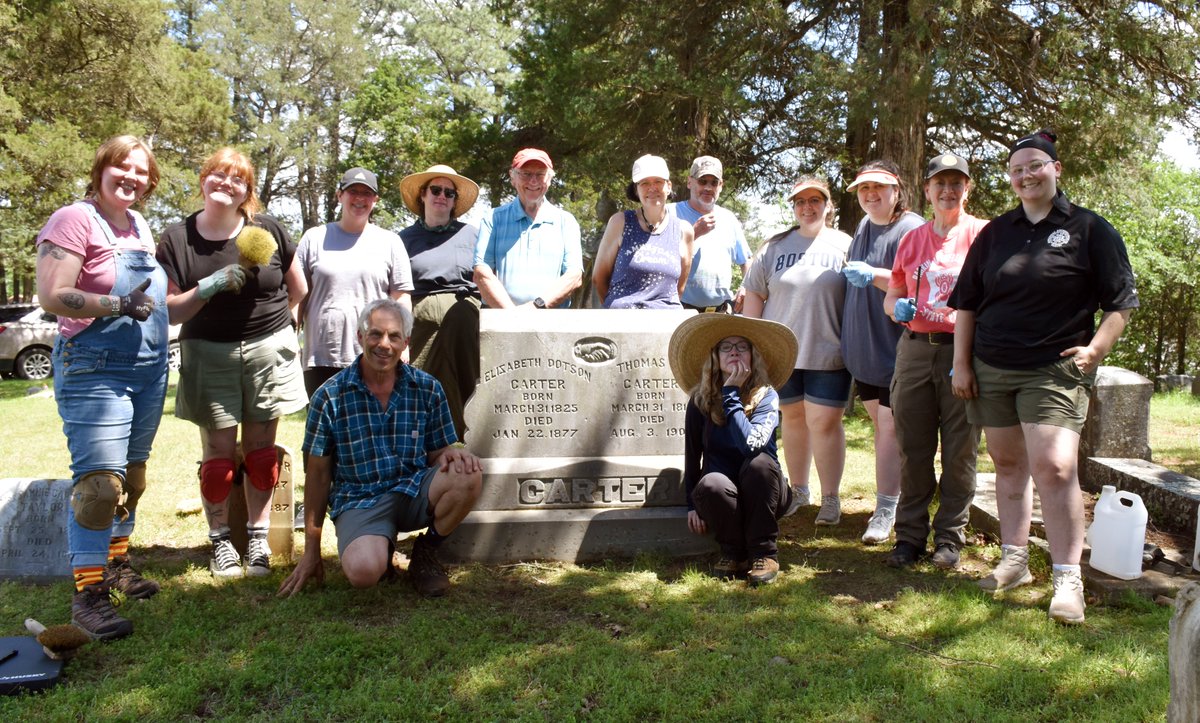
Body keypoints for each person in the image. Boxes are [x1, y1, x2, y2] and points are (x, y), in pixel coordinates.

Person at [949, 130, 1139, 624]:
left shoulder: (1090, 229)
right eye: (1017, 170)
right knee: (1008, 465)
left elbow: (1120, 303)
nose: (1026, 175)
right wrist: (962, 363)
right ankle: (1014, 562)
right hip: (992, 365)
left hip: (1054, 369)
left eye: (1035, 165)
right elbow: (967, 302)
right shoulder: (996, 233)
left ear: (1057, 169)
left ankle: (1067, 579)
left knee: (1055, 468)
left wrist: (1096, 349)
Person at [35, 135, 170, 640]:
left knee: (131, 479)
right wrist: (115, 306)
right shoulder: (74, 219)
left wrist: (212, 287)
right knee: (98, 487)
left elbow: (155, 304)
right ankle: (88, 595)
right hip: (95, 367)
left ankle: (116, 564)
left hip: (149, 368)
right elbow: (52, 294)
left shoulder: (138, 225)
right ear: (100, 170)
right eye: (121, 167)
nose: (131, 177)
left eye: (140, 171)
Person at [157, 147, 308, 580]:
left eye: (237, 179)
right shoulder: (176, 238)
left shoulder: (268, 229)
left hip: (267, 350)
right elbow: (170, 310)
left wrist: (285, 328)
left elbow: (297, 288)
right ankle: (220, 541)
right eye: (218, 175)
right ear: (203, 179)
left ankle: (257, 540)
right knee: (219, 459)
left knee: (262, 455)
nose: (226, 183)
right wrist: (208, 287)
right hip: (209, 352)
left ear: (247, 190)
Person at [277, 298, 483, 598]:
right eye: (375, 334)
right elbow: (319, 477)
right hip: (360, 499)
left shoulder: (428, 388)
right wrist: (311, 550)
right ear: (360, 337)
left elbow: (439, 452)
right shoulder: (329, 397)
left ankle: (425, 554)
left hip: (412, 490)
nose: (383, 344)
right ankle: (380, 549)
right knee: (363, 574)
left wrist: (451, 453)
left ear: (406, 342)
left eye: (394, 336)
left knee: (469, 473)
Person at [882, 153, 987, 569]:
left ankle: (949, 538)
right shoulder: (912, 240)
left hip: (962, 353)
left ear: (967, 188)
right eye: (939, 183)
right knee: (913, 447)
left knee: (960, 451)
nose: (947, 190)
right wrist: (897, 309)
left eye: (956, 183)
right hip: (913, 350)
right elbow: (892, 293)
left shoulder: (983, 234)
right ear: (926, 190)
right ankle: (909, 537)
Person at [742, 178, 853, 524]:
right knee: (791, 420)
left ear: (828, 205)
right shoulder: (774, 247)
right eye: (800, 201)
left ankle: (831, 499)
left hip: (829, 351)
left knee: (824, 422)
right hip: (781, 353)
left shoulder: (845, 245)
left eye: (815, 200)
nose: (808, 207)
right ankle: (800, 492)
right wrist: (750, 344)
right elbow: (755, 295)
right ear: (793, 207)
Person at [669, 313, 798, 585]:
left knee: (759, 464)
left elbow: (751, 445)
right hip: (723, 494)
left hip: (765, 491)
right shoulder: (700, 400)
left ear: (753, 355)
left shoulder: (767, 395)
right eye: (725, 347)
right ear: (715, 357)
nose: (734, 352)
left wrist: (731, 395)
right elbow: (692, 455)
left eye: (742, 346)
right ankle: (734, 552)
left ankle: (764, 552)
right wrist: (691, 505)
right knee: (711, 484)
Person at [840, 160, 925, 545]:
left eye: (879, 188)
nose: (871, 195)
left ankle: (887, 509)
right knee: (882, 429)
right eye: (863, 189)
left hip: (897, 349)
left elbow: (923, 282)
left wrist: (873, 274)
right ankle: (899, 499)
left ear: (897, 190)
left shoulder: (911, 228)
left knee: (890, 430)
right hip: (864, 350)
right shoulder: (862, 226)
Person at [295, 167, 413, 398]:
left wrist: (404, 343)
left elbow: (401, 297)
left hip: (377, 354)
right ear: (340, 195)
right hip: (321, 355)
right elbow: (298, 295)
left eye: (367, 193)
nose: (360, 198)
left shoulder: (390, 242)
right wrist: (291, 337)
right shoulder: (314, 238)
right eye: (353, 191)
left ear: (375, 200)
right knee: (323, 429)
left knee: (372, 428)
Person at [398, 164, 482, 440]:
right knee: (419, 389)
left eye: (449, 192)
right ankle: (422, 453)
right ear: (423, 195)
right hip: (421, 326)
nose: (442, 196)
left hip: (465, 324)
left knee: (469, 388)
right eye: (435, 189)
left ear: (455, 201)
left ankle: (469, 446)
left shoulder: (472, 235)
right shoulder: (403, 240)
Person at [473, 148, 583, 309]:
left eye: (540, 174)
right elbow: (482, 273)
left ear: (550, 179)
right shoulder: (493, 219)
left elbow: (574, 276)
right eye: (526, 174)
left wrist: (536, 307)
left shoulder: (566, 222)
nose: (533, 181)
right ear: (513, 177)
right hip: (501, 323)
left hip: (550, 323)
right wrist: (513, 317)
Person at [593, 155, 695, 308]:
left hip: (665, 324)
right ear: (636, 189)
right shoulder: (620, 222)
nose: (652, 188)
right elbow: (598, 278)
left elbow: (679, 288)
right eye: (645, 183)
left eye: (658, 182)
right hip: (621, 323)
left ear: (669, 186)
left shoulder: (684, 230)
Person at [671, 156, 752, 313]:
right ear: (689, 182)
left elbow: (747, 260)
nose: (708, 187)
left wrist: (747, 286)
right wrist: (693, 233)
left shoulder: (729, 219)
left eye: (714, 182)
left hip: (720, 313)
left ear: (720, 186)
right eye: (702, 181)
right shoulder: (671, 213)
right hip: (680, 312)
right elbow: (659, 258)